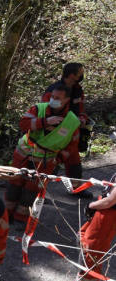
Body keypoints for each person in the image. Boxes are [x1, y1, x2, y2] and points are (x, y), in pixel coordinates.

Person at [5, 82, 81, 222]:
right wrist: (45, 122)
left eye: (58, 98)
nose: (53, 100)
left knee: (32, 190)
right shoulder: (38, 109)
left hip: (45, 161)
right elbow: (23, 124)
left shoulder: (72, 121)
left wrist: (58, 160)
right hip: (23, 155)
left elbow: (71, 146)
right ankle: (5, 216)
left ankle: (21, 217)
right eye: (52, 96)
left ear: (66, 100)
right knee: (14, 185)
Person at [65, 174, 116, 281]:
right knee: (85, 239)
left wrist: (91, 206)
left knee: (91, 249)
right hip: (105, 210)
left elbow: (110, 201)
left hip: (108, 213)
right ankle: (94, 277)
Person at [42, 62, 91, 194]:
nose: (82, 75)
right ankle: (36, 193)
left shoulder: (78, 90)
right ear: (71, 75)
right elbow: (44, 112)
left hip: (71, 133)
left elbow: (80, 109)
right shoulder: (53, 90)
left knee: (74, 161)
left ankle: (76, 189)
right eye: (80, 73)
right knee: (49, 164)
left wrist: (82, 118)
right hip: (54, 134)